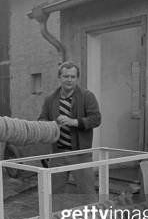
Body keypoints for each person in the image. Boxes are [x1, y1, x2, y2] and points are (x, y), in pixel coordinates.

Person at [38, 61, 101, 194]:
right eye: (66, 76)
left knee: (87, 193)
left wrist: (74, 122)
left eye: (73, 77)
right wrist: (52, 126)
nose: (69, 80)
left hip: (81, 154)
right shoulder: (50, 99)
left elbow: (96, 119)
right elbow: (41, 120)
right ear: (59, 77)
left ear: (77, 78)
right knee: (53, 193)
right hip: (57, 154)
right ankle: (53, 215)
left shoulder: (87, 96)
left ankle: (91, 215)